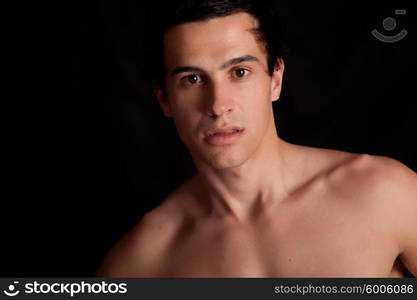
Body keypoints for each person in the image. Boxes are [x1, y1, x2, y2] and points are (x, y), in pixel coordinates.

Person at [97, 0, 417, 277]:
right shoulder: (140, 264)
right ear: (164, 99)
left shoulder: (385, 194)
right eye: (192, 79)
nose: (218, 105)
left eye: (239, 72)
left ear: (275, 79)